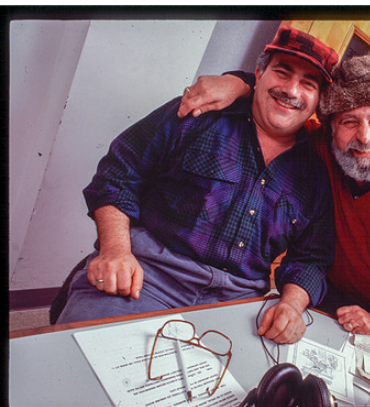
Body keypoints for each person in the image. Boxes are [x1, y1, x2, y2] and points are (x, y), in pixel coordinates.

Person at [179, 54, 370, 387]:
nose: (364, 137)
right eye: (349, 121)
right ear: (331, 129)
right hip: (334, 298)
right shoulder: (322, 150)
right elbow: (284, 104)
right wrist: (239, 83)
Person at [57, 27, 339, 345]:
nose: (291, 90)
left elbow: (312, 258)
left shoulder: (316, 175)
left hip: (236, 306)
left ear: (318, 100)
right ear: (259, 74)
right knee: (81, 354)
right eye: (282, 72)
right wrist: (115, 250)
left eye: (308, 84)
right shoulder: (199, 113)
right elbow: (120, 171)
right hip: (148, 277)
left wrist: (291, 304)